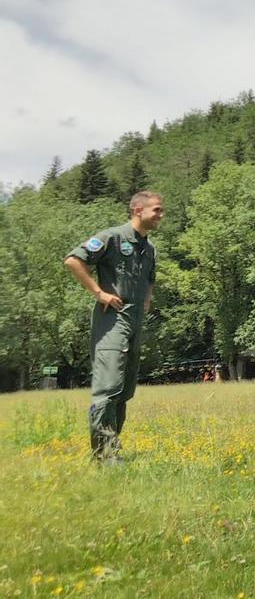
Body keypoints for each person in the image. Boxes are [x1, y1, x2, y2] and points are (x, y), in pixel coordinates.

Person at [64, 190, 165, 462]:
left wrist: (147, 299)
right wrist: (99, 293)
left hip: (134, 322)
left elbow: (150, 277)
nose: (161, 215)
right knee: (108, 387)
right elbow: (74, 260)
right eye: (156, 210)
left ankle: (112, 448)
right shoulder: (112, 237)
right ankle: (104, 454)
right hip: (112, 322)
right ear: (137, 210)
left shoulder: (149, 247)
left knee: (124, 390)